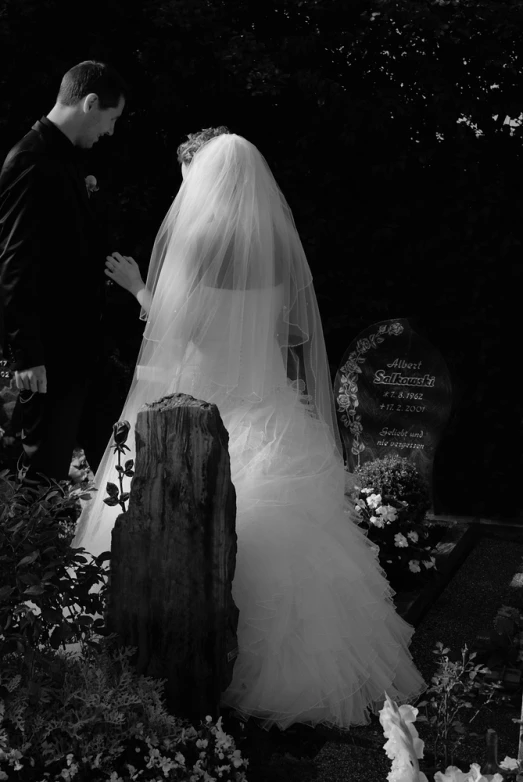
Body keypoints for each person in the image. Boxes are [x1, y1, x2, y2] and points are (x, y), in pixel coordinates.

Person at [73, 128, 425, 730]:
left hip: (198, 407)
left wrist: (137, 287)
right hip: (268, 407)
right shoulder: (274, 246)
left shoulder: (199, 242)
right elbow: (282, 333)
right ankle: (304, 667)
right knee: (301, 537)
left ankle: (172, 650)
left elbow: (177, 331)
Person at [0, 60, 127, 484]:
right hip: (51, 354)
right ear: (90, 103)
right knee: (44, 473)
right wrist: (28, 355)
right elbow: (15, 263)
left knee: (121, 462)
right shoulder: (30, 160)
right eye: (111, 118)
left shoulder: (68, 159)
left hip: (86, 347)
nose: (110, 131)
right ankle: (31, 553)